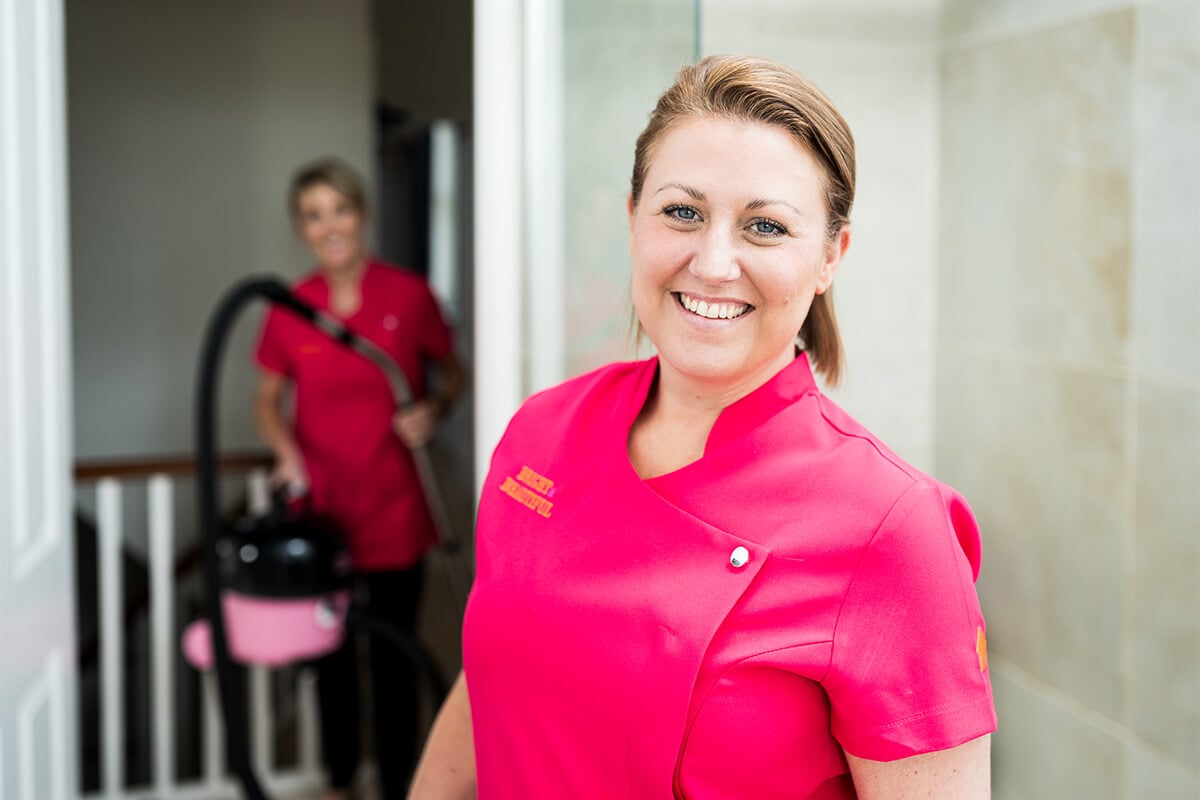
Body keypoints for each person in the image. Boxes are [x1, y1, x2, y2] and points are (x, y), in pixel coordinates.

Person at [408, 55, 996, 799]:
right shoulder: (540, 432)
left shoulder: (891, 528)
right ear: (632, 221)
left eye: (766, 226)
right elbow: (492, 677)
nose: (714, 262)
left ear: (829, 258)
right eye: (682, 212)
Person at [253, 157, 465, 800]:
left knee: (394, 656)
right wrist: (284, 450)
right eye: (315, 215)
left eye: (339, 209)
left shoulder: (407, 294)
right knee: (331, 657)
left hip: (396, 507)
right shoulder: (291, 308)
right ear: (302, 228)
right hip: (325, 514)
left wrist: (433, 408)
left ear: (361, 213)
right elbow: (267, 400)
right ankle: (343, 781)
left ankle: (403, 784)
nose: (330, 226)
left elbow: (452, 373)